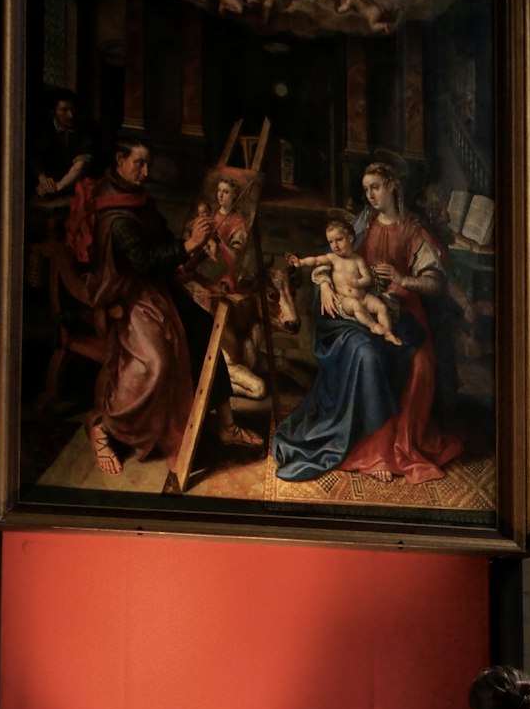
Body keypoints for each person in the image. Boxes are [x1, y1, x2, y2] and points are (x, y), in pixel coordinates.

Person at [68, 138, 263, 475]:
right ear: (119, 158)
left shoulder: (136, 199)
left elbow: (159, 243)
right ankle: (104, 427)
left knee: (205, 331)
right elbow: (142, 262)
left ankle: (227, 426)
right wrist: (187, 246)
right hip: (127, 297)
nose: (146, 172)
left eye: (148, 164)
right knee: (156, 362)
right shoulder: (114, 212)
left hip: (157, 289)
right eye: (139, 164)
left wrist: (190, 246)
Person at [272, 160, 461, 483]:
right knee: (367, 356)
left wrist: (403, 278)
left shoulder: (414, 230)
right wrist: (324, 283)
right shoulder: (363, 223)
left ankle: (392, 447)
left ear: (393, 186)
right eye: (366, 190)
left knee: (419, 364)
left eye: (375, 187)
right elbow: (331, 258)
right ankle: (373, 449)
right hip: (359, 308)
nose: (370, 195)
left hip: (403, 309)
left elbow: (436, 283)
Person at [288, 212, 402, 344]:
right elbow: (315, 261)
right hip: (345, 301)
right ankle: (373, 326)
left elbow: (367, 279)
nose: (335, 245)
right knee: (355, 305)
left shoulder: (358, 260)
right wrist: (300, 263)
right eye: (331, 242)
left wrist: (358, 282)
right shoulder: (332, 258)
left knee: (381, 307)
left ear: (350, 238)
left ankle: (388, 333)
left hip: (363, 297)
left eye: (339, 240)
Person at [29, 90, 98, 199]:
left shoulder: (87, 129)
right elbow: (35, 158)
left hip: (74, 185)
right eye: (64, 110)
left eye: (73, 109)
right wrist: (44, 181)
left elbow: (80, 165)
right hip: (48, 184)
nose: (71, 115)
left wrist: (58, 187)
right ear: (53, 111)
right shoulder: (43, 129)